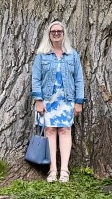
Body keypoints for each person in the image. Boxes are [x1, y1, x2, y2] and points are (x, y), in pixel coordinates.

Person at [31, 19, 84, 183]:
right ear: (49, 34)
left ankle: (64, 170)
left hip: (66, 99)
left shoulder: (72, 55)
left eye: (59, 31)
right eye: (53, 31)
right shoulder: (42, 55)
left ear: (63, 34)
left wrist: (79, 102)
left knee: (65, 130)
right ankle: (53, 169)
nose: (56, 34)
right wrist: (38, 100)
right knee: (50, 131)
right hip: (47, 100)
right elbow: (36, 79)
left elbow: (79, 80)